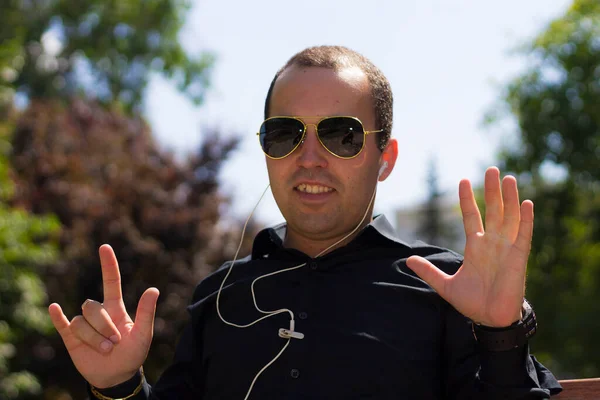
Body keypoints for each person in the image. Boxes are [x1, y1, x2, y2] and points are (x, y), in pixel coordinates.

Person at [48, 45, 563, 399]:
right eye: (284, 134)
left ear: (386, 157)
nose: (309, 157)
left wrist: (502, 332)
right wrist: (118, 385)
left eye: (341, 135)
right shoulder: (220, 296)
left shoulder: (452, 289)